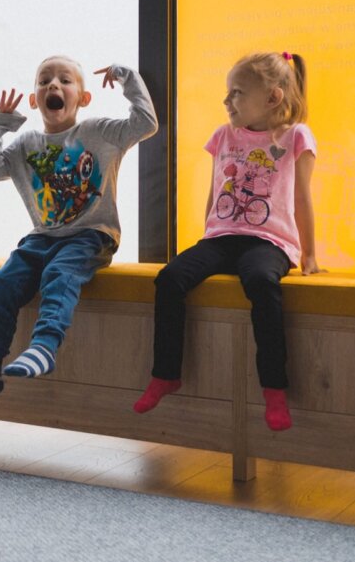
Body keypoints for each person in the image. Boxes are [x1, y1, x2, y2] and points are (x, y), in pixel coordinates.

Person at [0, 57, 157, 416]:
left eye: (65, 81)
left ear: (83, 98)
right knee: (3, 282)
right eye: (44, 80)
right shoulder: (25, 145)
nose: (53, 85)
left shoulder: (98, 132)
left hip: (91, 234)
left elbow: (145, 123)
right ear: (34, 100)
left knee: (60, 274)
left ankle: (45, 346)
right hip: (43, 236)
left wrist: (127, 78)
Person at [133, 52, 319, 432]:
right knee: (169, 278)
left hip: (269, 241)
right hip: (220, 237)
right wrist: (206, 238)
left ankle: (273, 387)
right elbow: (215, 191)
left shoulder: (296, 136)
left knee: (261, 282)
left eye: (236, 93)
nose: (226, 101)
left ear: (273, 98)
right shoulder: (224, 136)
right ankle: (166, 373)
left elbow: (302, 197)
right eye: (227, 92)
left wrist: (310, 255)